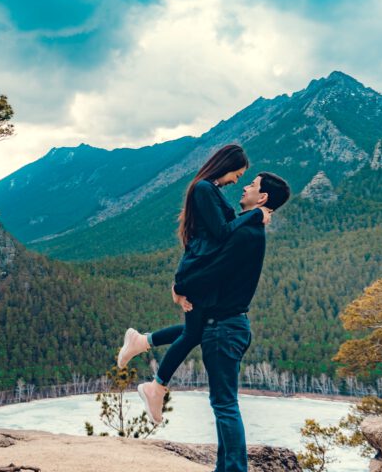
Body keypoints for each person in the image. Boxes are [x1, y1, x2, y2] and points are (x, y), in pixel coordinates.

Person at [116, 144, 271, 422]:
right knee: (193, 333)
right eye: (237, 174)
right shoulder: (203, 189)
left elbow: (221, 235)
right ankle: (156, 384)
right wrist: (255, 215)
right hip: (197, 270)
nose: (237, 181)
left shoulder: (210, 190)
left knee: (196, 330)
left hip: (200, 269)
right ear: (226, 165)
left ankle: (144, 347)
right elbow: (223, 233)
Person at [183, 172, 291, 472]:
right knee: (222, 403)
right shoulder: (250, 228)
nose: (244, 187)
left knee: (225, 404)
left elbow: (216, 269)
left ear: (262, 199)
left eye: (252, 185)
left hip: (225, 327)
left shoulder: (247, 235)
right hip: (228, 325)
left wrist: (182, 286)